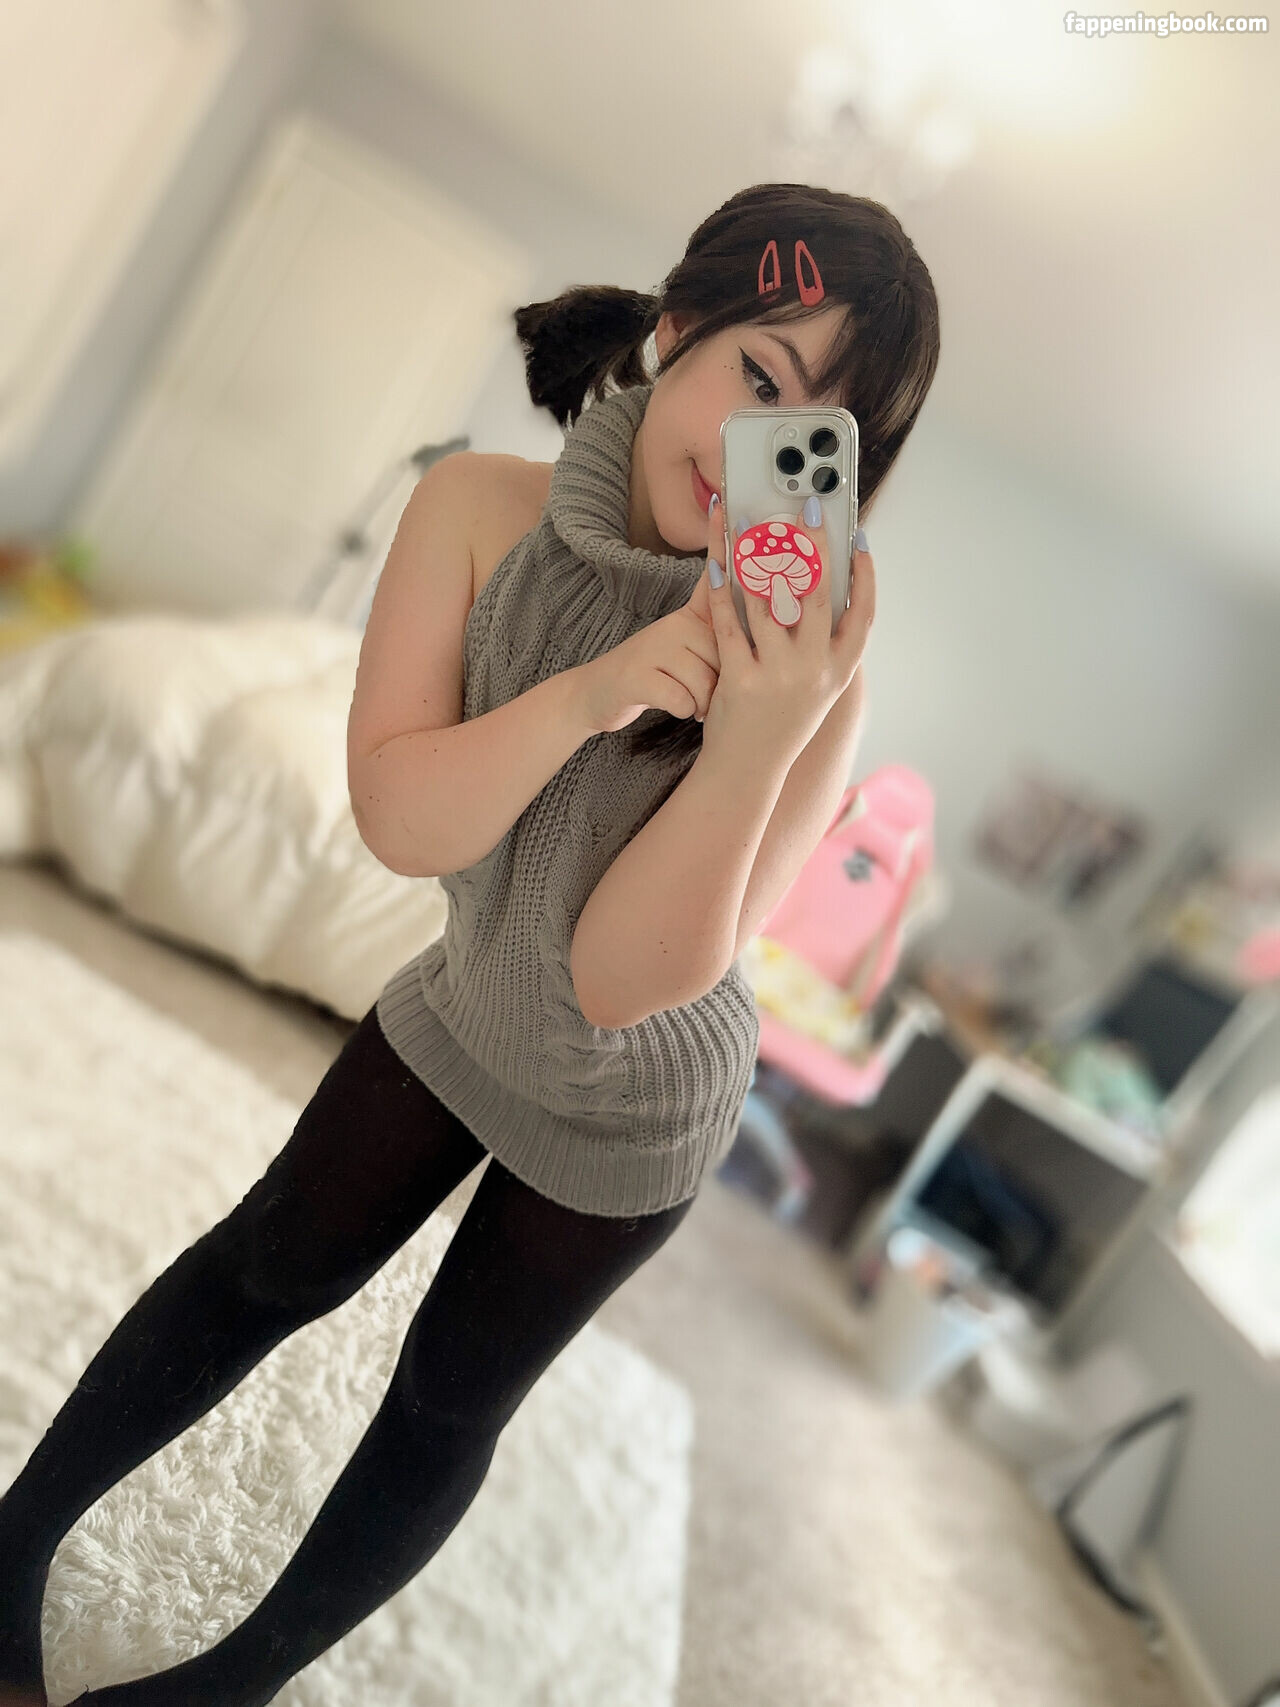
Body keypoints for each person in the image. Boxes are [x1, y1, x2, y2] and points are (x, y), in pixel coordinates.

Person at [0, 181, 939, 1707]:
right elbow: (402, 821)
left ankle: (221, 1692)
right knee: (262, 1265)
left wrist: (762, 733)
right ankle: (6, 1556)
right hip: (468, 995)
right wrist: (596, 691)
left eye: (818, 436)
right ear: (678, 328)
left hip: (636, 1097)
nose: (757, 454)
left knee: (443, 1405)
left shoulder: (814, 683)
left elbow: (620, 983)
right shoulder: (474, 510)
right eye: (758, 379)